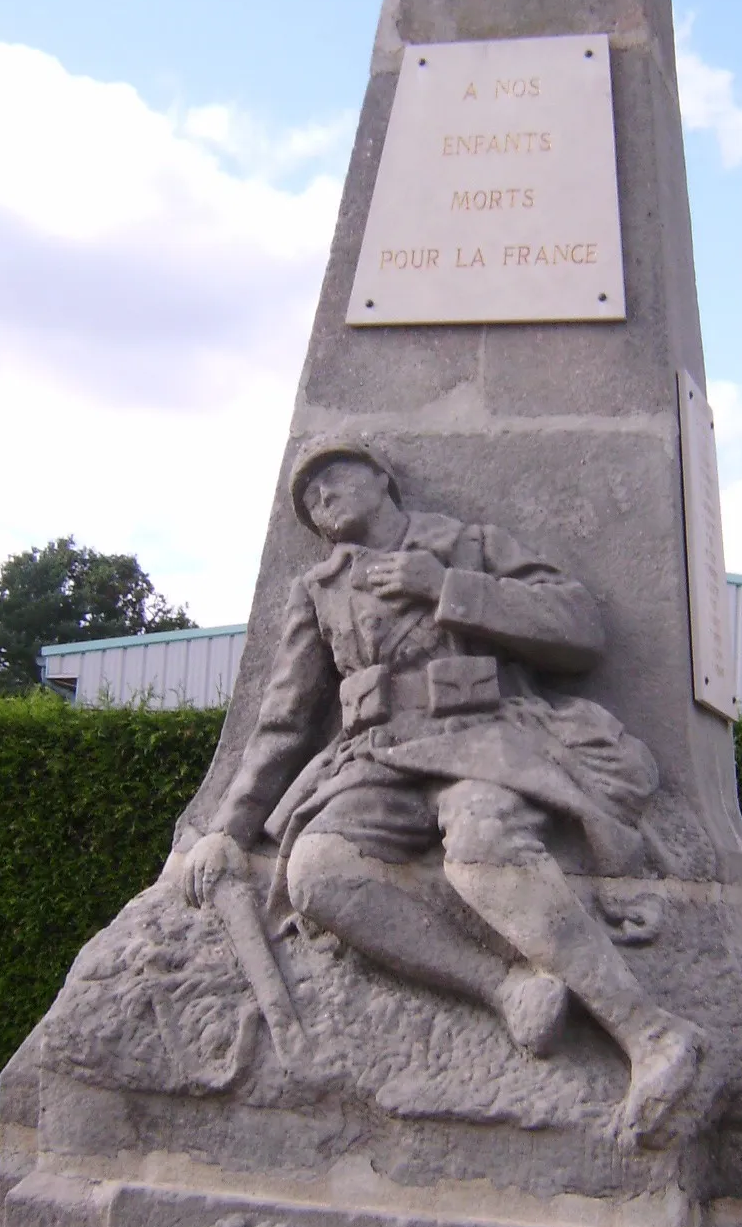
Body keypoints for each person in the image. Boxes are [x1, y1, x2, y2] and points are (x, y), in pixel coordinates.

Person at [185, 436, 699, 1144]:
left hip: (482, 739)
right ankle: (506, 988)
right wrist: (228, 828)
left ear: (381, 477)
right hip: (375, 759)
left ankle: (652, 1035)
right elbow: (283, 720)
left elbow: (578, 625)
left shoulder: (465, 544)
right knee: (315, 874)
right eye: (307, 497)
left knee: (484, 848)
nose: (320, 498)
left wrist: (445, 588)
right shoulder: (320, 590)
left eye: (333, 478)